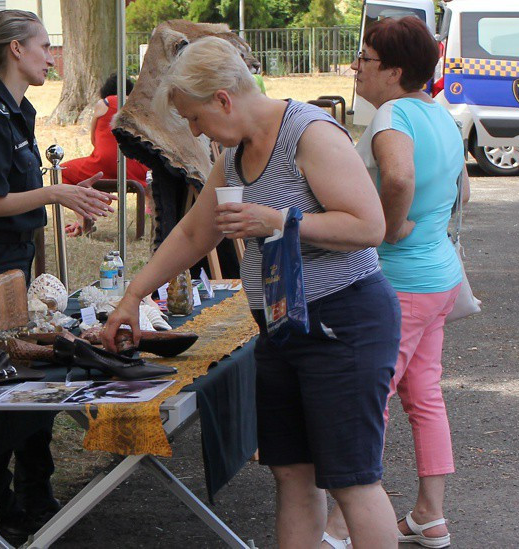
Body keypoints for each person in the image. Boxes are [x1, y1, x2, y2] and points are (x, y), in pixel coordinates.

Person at [101, 36, 402, 548]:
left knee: (352, 480)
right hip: (282, 326)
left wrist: (279, 220)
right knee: (291, 473)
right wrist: (133, 296)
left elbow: (369, 226)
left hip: (344, 321)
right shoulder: (236, 157)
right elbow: (197, 233)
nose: (195, 132)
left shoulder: (310, 133)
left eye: (195, 118)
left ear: (223, 98)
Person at [0, 9, 115, 543]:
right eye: (44, 45)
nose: (51, 55)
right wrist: (57, 191)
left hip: (15, 256)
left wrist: (68, 200)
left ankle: (35, 492)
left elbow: (16, 199)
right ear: (15, 49)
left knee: (33, 372)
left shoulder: (19, 112)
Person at [322, 17, 468, 549]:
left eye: (365, 58)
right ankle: (430, 514)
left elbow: (400, 177)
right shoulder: (442, 114)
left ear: (395, 70)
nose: (356, 67)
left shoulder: (391, 114)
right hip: (438, 279)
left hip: (400, 282)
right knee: (425, 396)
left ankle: (342, 525)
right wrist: (416, 222)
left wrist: (381, 229)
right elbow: (463, 192)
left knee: (368, 398)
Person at [60, 73, 150, 236]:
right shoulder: (137, 105)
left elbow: (94, 138)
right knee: (150, 174)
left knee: (62, 171)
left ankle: (82, 217)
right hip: (134, 165)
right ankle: (150, 209)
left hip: (103, 165)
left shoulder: (104, 104)